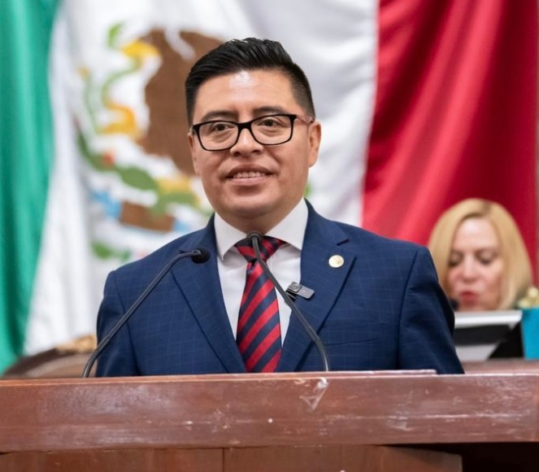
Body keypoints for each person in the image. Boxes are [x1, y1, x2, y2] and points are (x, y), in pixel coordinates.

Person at [95, 38, 463, 376]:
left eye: (270, 123)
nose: (244, 145)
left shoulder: (397, 277)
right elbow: (112, 426)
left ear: (313, 141)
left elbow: (445, 420)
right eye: (219, 127)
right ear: (194, 150)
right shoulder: (135, 294)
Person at [428, 199, 539, 359]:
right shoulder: (423, 331)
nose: (468, 274)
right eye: (453, 261)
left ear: (512, 265)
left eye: (485, 259)